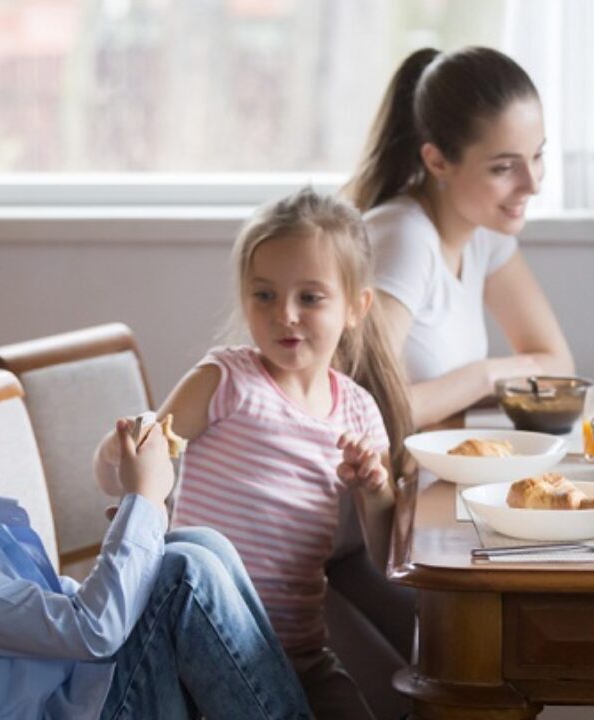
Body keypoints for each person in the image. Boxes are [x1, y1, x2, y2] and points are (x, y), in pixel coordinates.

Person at [0, 321, 310, 720]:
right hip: (75, 703)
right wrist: (145, 500)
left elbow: (62, 614)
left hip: (79, 692)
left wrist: (139, 526)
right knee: (183, 576)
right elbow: (92, 630)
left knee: (196, 545)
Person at [95, 189, 415, 720]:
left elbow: (386, 559)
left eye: (310, 298)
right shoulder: (226, 380)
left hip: (301, 654)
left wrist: (375, 489)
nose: (285, 314)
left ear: (356, 307)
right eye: (264, 295)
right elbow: (132, 468)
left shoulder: (360, 411)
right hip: (203, 649)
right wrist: (117, 453)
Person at [344, 46, 575, 428]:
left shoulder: (485, 232)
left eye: (537, 156)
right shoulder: (405, 237)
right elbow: (369, 410)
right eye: (504, 167)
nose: (532, 184)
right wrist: (485, 376)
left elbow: (559, 368)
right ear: (437, 161)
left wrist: (481, 379)